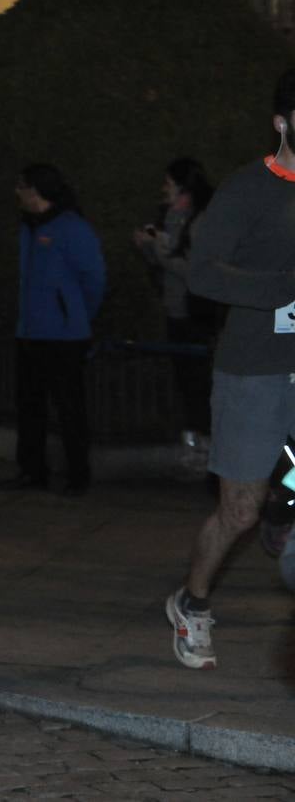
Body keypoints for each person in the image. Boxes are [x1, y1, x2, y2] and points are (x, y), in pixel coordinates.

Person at [167, 69, 295, 670]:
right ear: (281, 123)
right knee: (238, 510)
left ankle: (285, 500)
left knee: (281, 492)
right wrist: (281, 288)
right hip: (254, 372)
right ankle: (192, 602)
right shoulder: (249, 189)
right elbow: (202, 273)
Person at [1, 163, 106, 496]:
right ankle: (32, 471)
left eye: (22, 186)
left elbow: (95, 279)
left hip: (64, 337)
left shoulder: (72, 229)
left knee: (69, 408)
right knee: (29, 407)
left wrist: (76, 316)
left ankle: (78, 475)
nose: (17, 192)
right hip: (30, 333)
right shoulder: (28, 229)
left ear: (37, 190)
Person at [131, 158, 218, 468]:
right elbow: (164, 264)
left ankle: (207, 450)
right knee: (186, 383)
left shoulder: (200, 220)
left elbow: (196, 270)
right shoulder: (170, 217)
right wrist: (149, 247)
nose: (163, 190)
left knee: (199, 384)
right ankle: (194, 446)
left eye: (168, 184)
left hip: (195, 314)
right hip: (175, 310)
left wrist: (163, 250)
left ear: (183, 187)